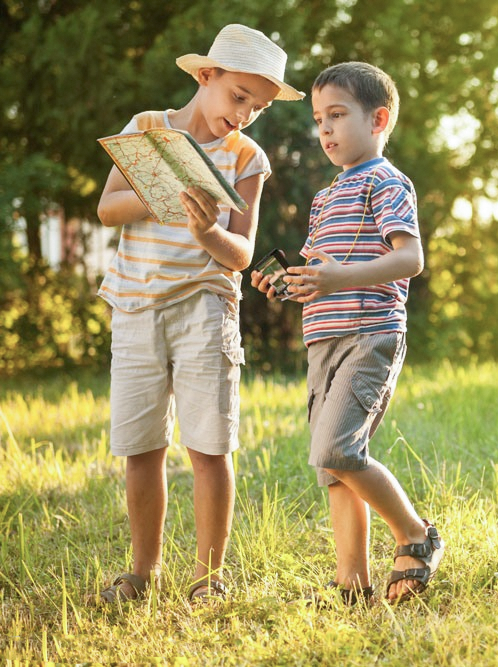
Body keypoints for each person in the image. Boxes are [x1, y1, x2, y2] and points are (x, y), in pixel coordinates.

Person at [94, 24, 304, 604]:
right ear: (206, 76)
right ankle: (142, 573)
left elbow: (239, 254)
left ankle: (208, 580)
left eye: (258, 107)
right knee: (141, 448)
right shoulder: (148, 130)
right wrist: (164, 194)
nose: (245, 115)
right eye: (239, 97)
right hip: (135, 305)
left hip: (205, 311)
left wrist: (206, 227)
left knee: (210, 448)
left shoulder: (246, 157)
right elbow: (107, 208)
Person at [251, 61, 443, 605]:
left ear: (378, 118)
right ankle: (350, 585)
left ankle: (414, 533)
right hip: (324, 339)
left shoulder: (386, 181)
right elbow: (323, 277)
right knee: (333, 469)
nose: (325, 129)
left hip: (370, 334)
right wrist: (290, 285)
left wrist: (340, 276)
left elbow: (410, 258)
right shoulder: (324, 196)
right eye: (318, 119)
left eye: (337, 115)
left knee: (337, 449)